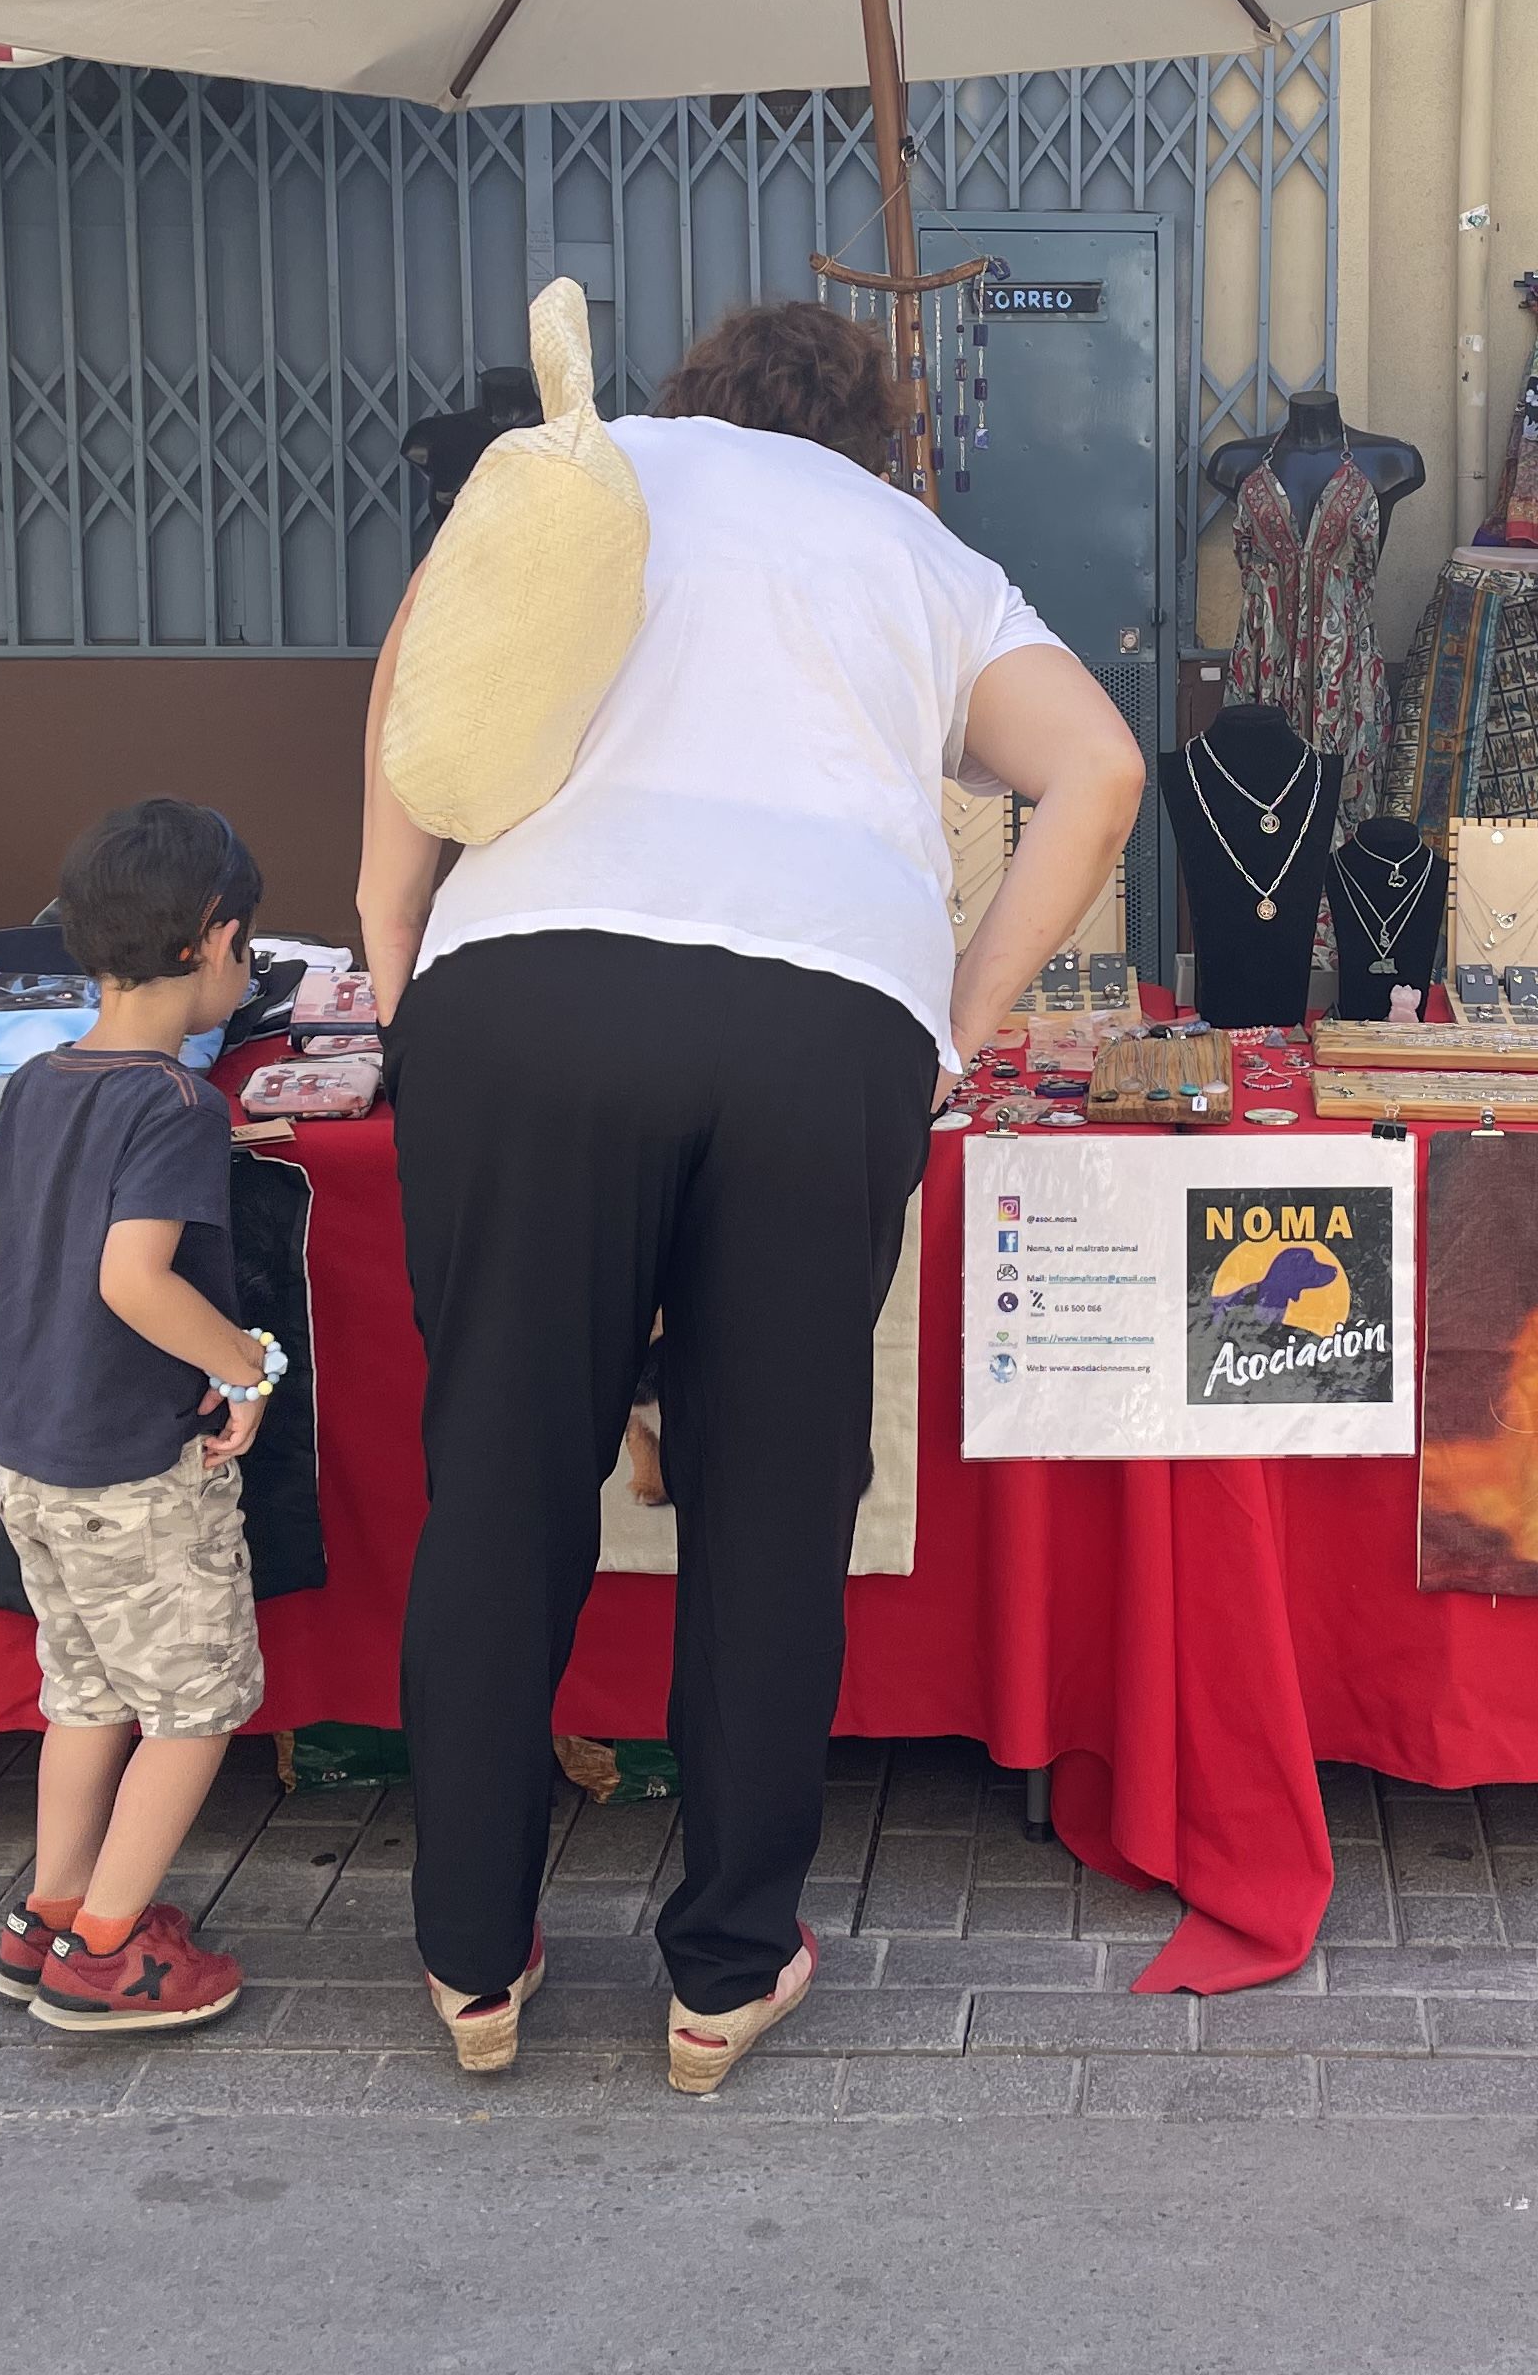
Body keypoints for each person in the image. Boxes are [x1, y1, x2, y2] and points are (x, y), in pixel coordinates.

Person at [359, 298, 1144, 2092]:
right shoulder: (921, 550)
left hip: (529, 984)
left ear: (687, 399)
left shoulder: (591, 470)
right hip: (821, 1019)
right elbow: (1097, 769)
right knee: (773, 1497)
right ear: (871, 435)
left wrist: (399, 953)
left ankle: (471, 1957)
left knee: (503, 1474)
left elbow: (425, 683)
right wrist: (956, 1013)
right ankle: (723, 1967)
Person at [0, 797, 280, 2038]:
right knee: (195, 1709)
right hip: (133, 1478)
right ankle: (108, 1953)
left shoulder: (41, 1083)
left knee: (86, 1695)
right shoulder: (174, 1106)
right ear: (209, 940)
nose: (249, 971)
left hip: (33, 1463)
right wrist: (250, 1366)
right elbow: (132, 1278)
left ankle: (47, 1916)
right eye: (251, 949)